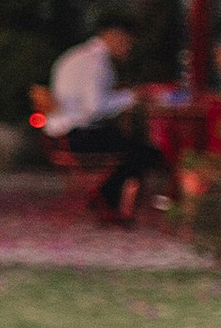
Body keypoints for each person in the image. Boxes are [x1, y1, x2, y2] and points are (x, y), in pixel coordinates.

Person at [48, 17, 160, 222]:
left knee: (132, 148)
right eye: (127, 43)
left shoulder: (77, 55)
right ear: (113, 36)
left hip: (61, 134)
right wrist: (131, 97)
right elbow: (95, 108)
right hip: (79, 135)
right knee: (144, 153)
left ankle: (105, 199)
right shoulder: (96, 63)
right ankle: (112, 203)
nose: (128, 50)